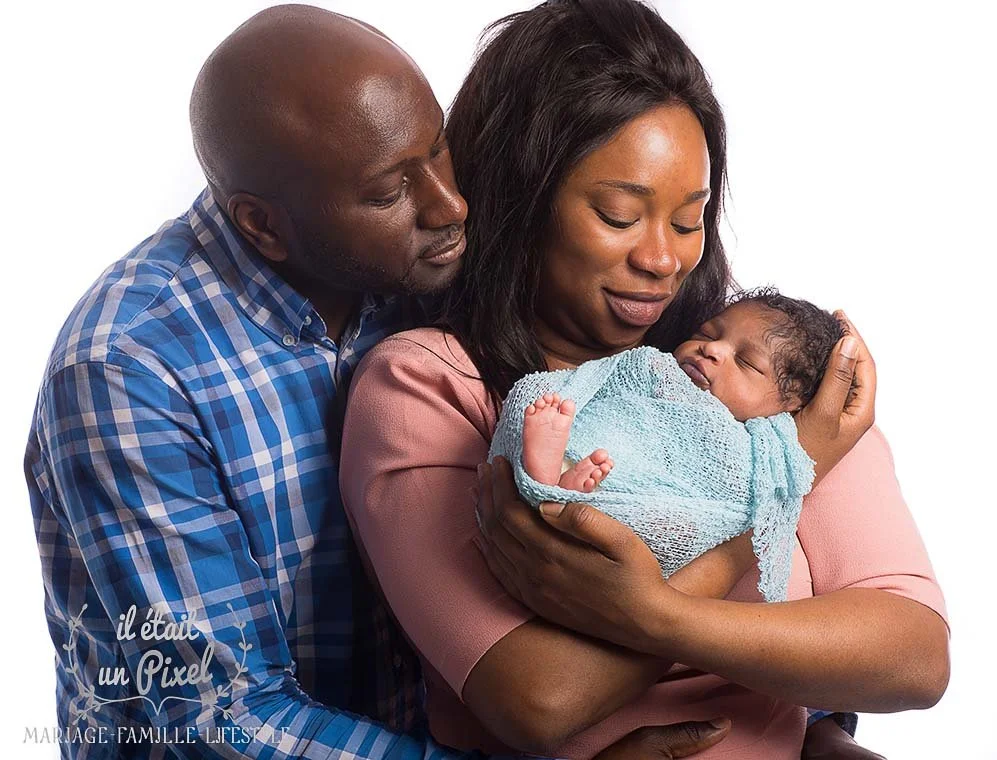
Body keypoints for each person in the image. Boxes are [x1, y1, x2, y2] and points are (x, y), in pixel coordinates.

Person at [25, 5, 730, 759]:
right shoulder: (129, 371)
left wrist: (795, 720)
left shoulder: (431, 266)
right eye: (390, 190)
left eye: (440, 151)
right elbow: (220, 719)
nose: (451, 204)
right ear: (263, 225)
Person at [339, 1, 950, 759]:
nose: (663, 260)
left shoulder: (751, 368)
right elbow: (537, 696)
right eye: (619, 215)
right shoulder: (431, 386)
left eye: (689, 220)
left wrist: (652, 612)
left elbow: (913, 655)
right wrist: (787, 479)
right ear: (520, 201)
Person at [499, 288, 843, 604]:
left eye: (746, 362)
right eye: (706, 334)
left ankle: (562, 488)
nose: (712, 348)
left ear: (790, 404)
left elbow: (740, 495)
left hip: (651, 520)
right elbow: (618, 391)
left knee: (672, 525)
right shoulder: (657, 370)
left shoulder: (765, 446)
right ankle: (554, 477)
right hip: (601, 450)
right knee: (587, 442)